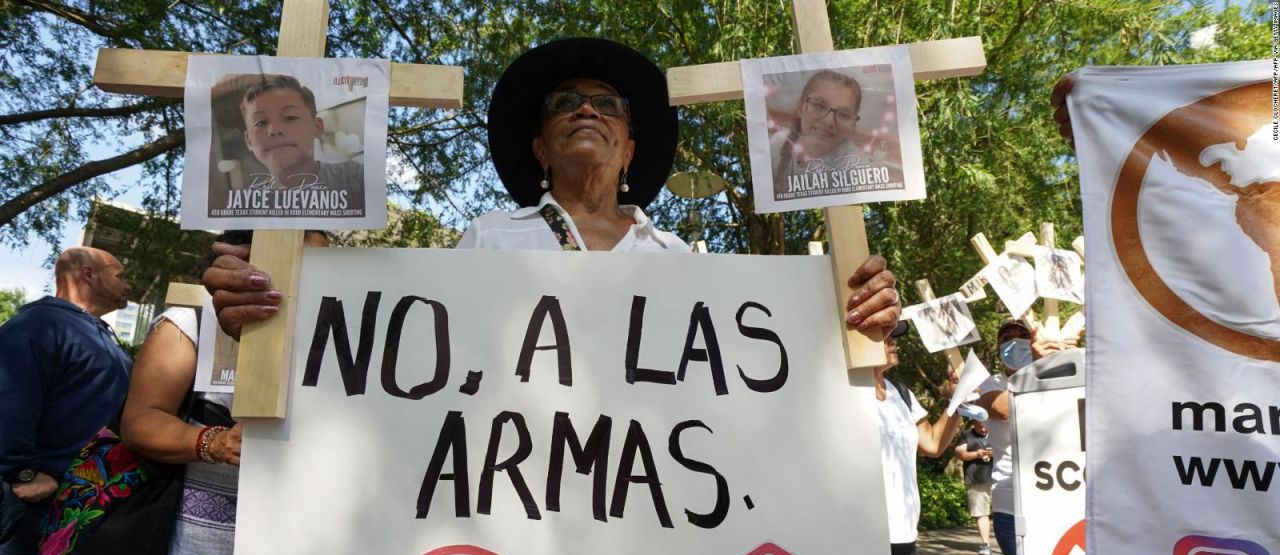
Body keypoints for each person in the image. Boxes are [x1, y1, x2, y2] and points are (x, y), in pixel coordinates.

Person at [202, 38, 902, 339]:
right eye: (565, 102)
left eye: (608, 104)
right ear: (540, 147)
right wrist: (277, 318)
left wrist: (849, 320)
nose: (587, 108)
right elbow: (407, 350)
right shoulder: (488, 239)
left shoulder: (684, 262)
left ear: (630, 148)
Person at [118, 231, 326, 555]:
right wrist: (214, 443)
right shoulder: (192, 321)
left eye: (322, 245)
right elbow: (141, 421)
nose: (313, 257)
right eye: (298, 244)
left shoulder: (349, 322)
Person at [0, 247, 131, 555]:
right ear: (87, 274)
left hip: (72, 507)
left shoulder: (98, 333)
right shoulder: (39, 326)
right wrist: (23, 473)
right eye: (120, 272)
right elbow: (8, 398)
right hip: (28, 501)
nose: (128, 282)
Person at [875, 321, 963, 555]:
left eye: (893, 333)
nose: (893, 340)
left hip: (903, 529)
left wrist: (956, 400)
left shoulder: (901, 392)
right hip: (862, 532)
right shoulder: (842, 391)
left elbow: (933, 444)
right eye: (884, 334)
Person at [975, 318, 1074, 555]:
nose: (1015, 342)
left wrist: (1062, 361)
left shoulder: (1056, 374)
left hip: (1060, 496)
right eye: (1007, 338)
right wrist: (1038, 368)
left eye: (1022, 335)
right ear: (998, 347)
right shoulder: (992, 384)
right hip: (1012, 507)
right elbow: (1002, 409)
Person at [229, 74, 364, 211]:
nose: (275, 130)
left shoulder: (355, 178)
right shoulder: (246, 205)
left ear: (317, 127)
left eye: (290, 117)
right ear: (249, 140)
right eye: (261, 122)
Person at [771, 70, 864, 197]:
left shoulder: (859, 167)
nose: (828, 121)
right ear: (801, 107)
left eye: (843, 114)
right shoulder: (778, 143)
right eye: (819, 106)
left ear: (853, 124)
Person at [954, 420, 994, 555]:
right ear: (974, 424)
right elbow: (960, 453)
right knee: (981, 512)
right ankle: (986, 544)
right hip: (976, 479)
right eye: (980, 427)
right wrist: (977, 454)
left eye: (985, 427)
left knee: (1006, 512)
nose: (983, 430)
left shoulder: (997, 433)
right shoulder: (966, 435)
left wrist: (995, 453)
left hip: (1000, 479)